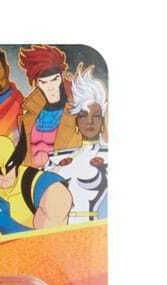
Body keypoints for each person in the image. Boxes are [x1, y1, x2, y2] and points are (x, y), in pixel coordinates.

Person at [0, 133, 73, 238]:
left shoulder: (49, 190)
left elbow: (51, 243)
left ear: (17, 160)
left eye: (9, 166)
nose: (4, 174)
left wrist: (8, 225)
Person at [46, 64, 108, 223]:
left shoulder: (109, 156)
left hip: (94, 228)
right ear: (76, 121)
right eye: (83, 115)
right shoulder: (56, 159)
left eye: (96, 116)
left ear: (102, 121)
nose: (89, 122)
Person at [18, 45, 82, 166]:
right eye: (43, 82)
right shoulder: (30, 112)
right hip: (31, 174)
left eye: (54, 79)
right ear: (37, 84)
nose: (50, 87)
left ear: (61, 77)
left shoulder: (76, 109)